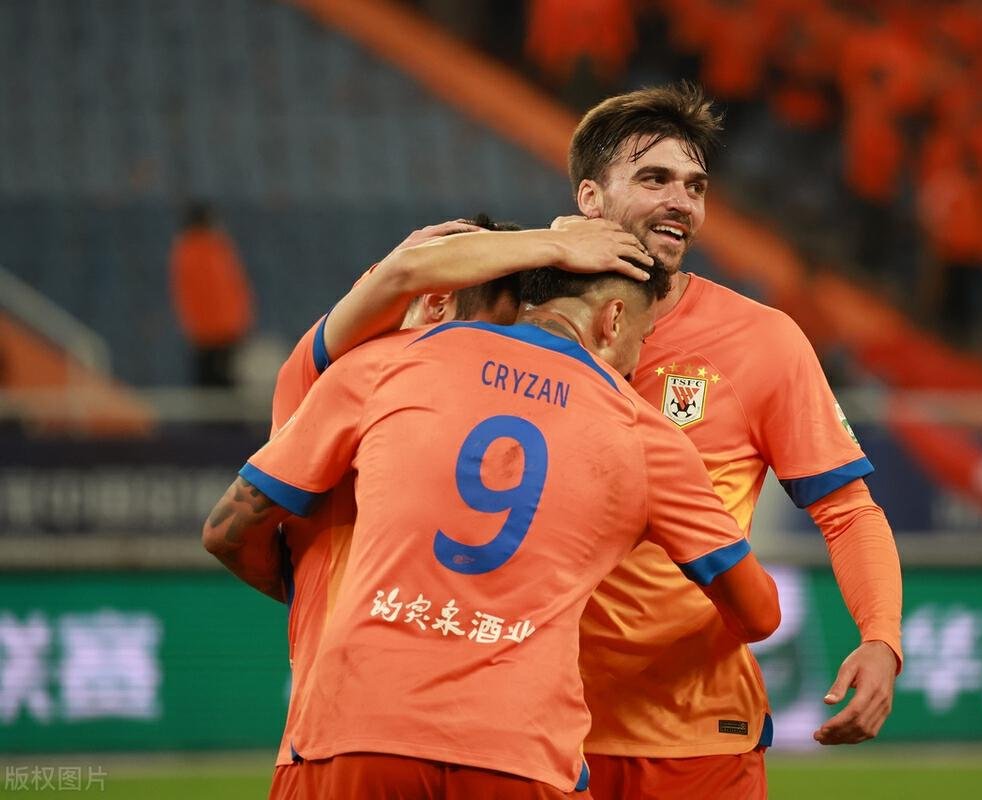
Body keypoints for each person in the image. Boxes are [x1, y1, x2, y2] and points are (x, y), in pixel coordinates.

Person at [202, 262, 781, 799]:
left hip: (353, 728)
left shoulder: (391, 362)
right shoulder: (645, 435)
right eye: (643, 336)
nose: (638, 360)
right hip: (519, 747)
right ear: (613, 319)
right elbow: (758, 614)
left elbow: (228, 533)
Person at [207, 213, 656, 773]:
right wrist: (557, 244)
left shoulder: (465, 404)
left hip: (361, 737)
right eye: (498, 330)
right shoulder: (337, 369)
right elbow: (399, 276)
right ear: (439, 303)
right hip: (358, 737)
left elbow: (228, 535)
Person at [565, 82, 903, 798]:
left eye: (695, 186)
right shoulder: (513, 325)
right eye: (654, 179)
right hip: (542, 731)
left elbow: (848, 511)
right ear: (589, 197)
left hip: (700, 739)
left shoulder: (762, 340)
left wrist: (881, 637)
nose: (681, 202)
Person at [169, 200, 255, 387]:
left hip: (206, 336)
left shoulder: (187, 251)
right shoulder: (214, 249)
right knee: (221, 390)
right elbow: (232, 290)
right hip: (221, 334)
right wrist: (239, 324)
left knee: (210, 389)